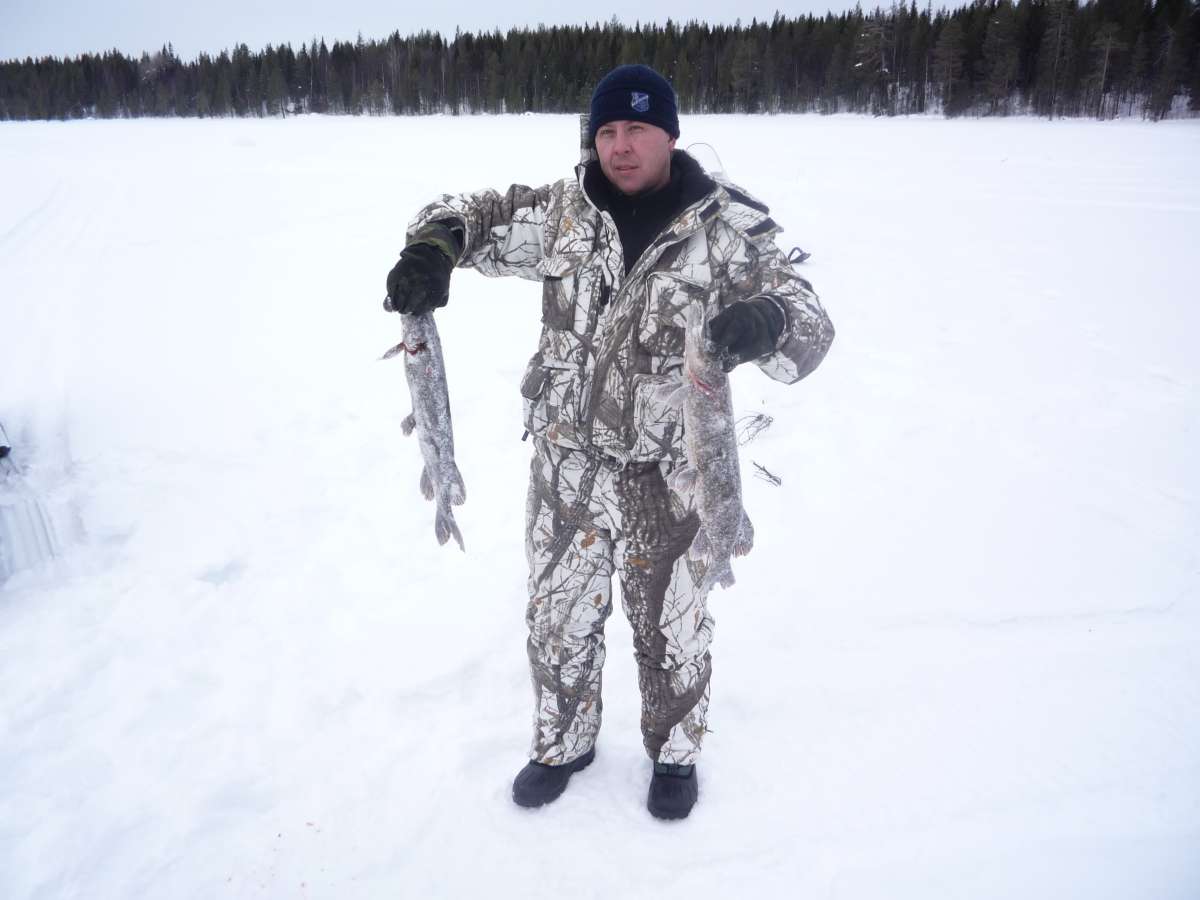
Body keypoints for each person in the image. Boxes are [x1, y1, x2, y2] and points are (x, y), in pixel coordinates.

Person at [385, 64, 834, 820]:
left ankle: (675, 753)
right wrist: (435, 244)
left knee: (674, 624)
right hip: (568, 460)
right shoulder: (563, 213)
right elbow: (470, 214)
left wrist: (770, 321)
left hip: (674, 470)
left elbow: (811, 327)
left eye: (638, 129)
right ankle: (563, 744)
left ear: (670, 135)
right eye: (607, 132)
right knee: (558, 616)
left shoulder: (728, 231)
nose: (620, 146)